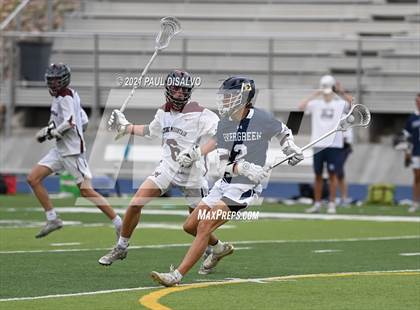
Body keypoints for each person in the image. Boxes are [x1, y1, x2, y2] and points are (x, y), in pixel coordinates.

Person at [149, 76, 304, 287]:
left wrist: (290, 148)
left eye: (230, 96)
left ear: (244, 98)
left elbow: (284, 131)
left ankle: (176, 275)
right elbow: (218, 166)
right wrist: (243, 167)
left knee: (204, 226)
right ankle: (220, 248)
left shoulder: (260, 118)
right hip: (225, 182)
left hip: (244, 188)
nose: (225, 100)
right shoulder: (224, 124)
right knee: (190, 226)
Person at [98, 70, 228, 272]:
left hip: (193, 175)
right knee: (135, 203)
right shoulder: (162, 113)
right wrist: (126, 126)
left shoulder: (201, 114)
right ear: (168, 89)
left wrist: (197, 153)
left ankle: (217, 248)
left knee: (194, 227)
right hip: (167, 168)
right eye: (175, 89)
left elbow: (220, 135)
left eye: (183, 90)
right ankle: (121, 246)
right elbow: (151, 131)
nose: (179, 94)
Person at [27, 63, 122, 238]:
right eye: (51, 80)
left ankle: (119, 223)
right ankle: (52, 218)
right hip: (60, 150)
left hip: (72, 152)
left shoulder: (66, 97)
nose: (54, 84)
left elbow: (70, 121)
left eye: (57, 80)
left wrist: (55, 131)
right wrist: (48, 131)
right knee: (33, 178)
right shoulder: (63, 97)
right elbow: (82, 120)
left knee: (86, 191)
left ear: (64, 80)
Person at [299, 75, 352, 214]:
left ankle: (332, 203)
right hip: (318, 142)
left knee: (332, 174)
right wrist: (316, 93)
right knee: (317, 175)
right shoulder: (316, 104)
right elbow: (301, 107)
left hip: (334, 144)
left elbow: (352, 104)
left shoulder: (339, 103)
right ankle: (317, 204)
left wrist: (340, 91)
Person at [402, 93, 420, 213]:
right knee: (417, 177)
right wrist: (407, 152)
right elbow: (406, 137)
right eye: (417, 101)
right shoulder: (412, 118)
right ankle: (415, 202)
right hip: (416, 152)